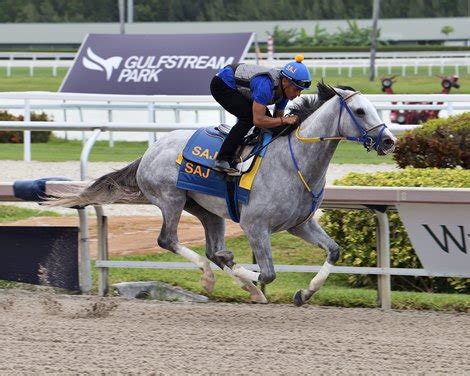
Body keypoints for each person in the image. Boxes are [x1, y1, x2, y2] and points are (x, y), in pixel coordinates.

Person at [210, 54, 312, 173]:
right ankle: (222, 159)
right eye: (297, 89)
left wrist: (283, 123)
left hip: (241, 86)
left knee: (271, 125)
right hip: (222, 84)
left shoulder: (284, 92)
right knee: (248, 118)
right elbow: (258, 120)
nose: (298, 94)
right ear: (285, 82)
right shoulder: (266, 86)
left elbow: (276, 121)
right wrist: (284, 120)